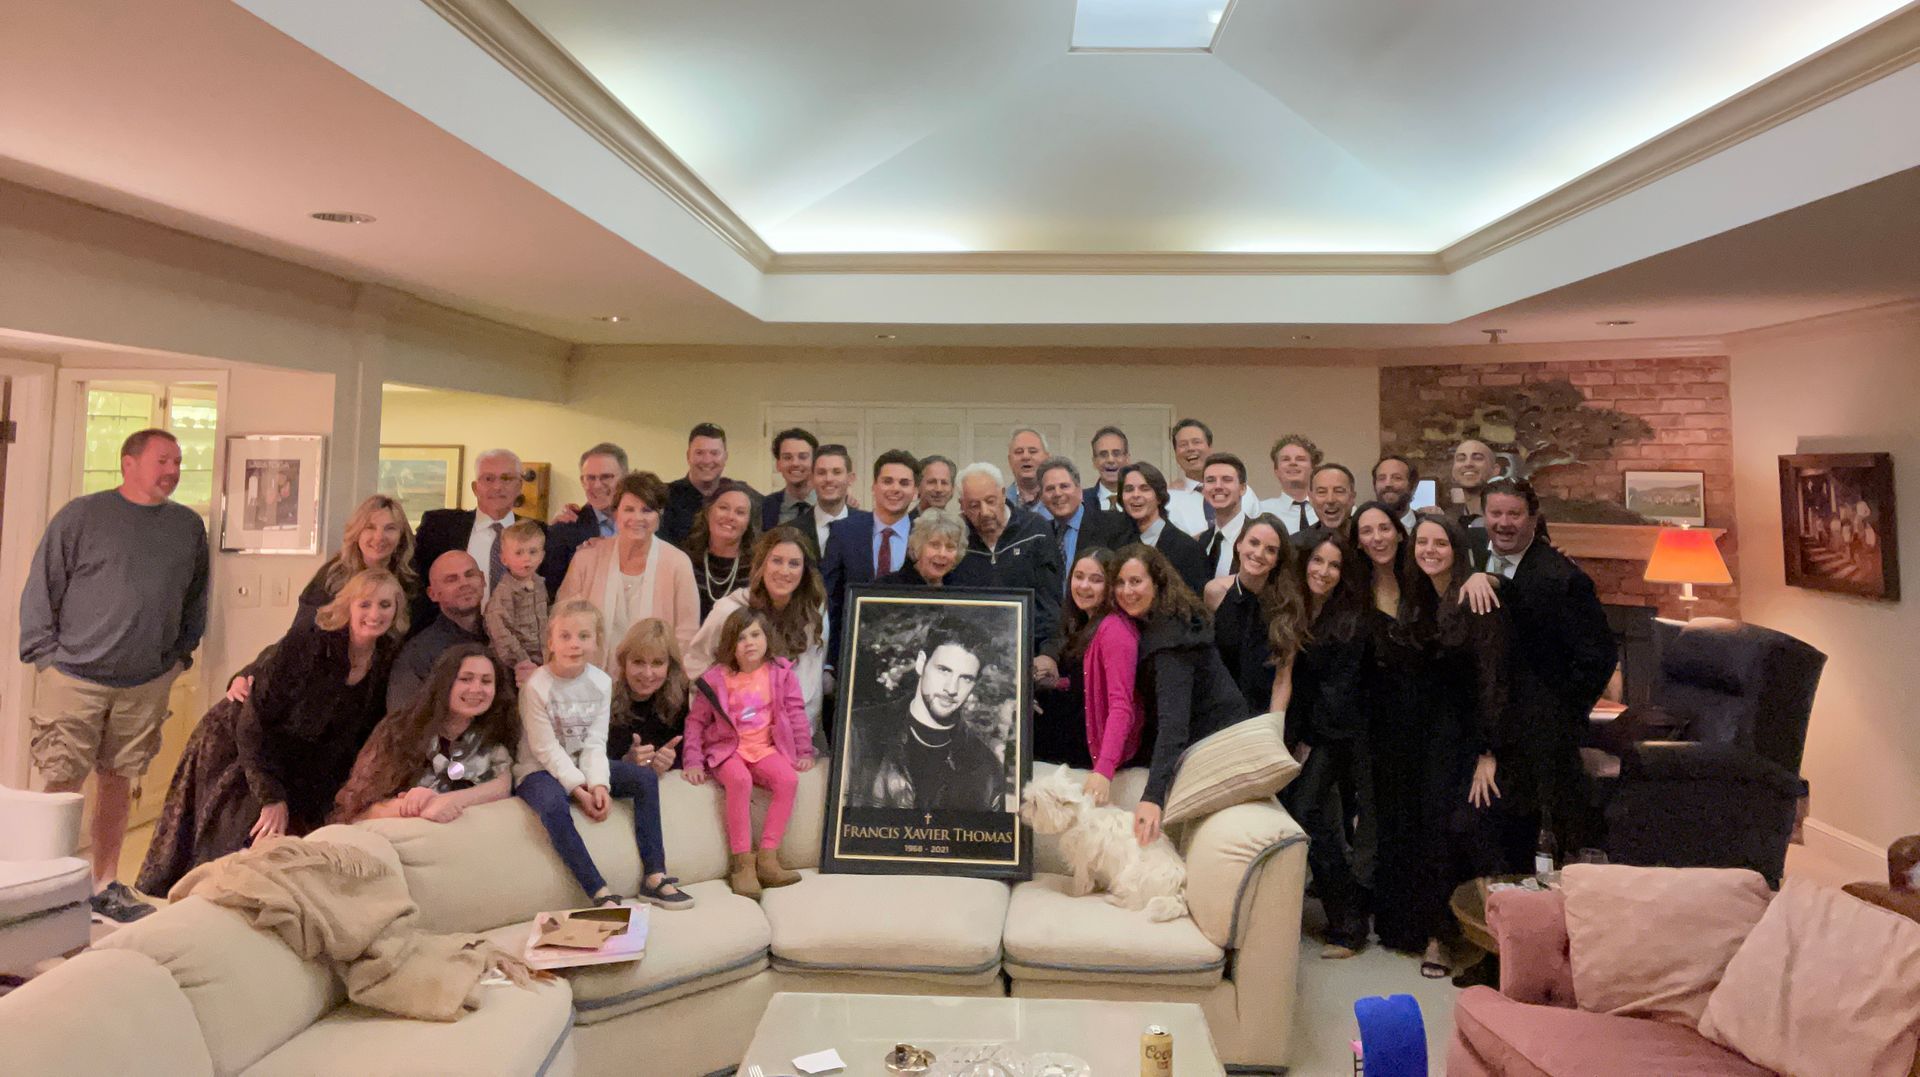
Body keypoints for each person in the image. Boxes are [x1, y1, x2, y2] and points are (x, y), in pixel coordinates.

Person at [20, 427, 209, 921]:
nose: (172, 471)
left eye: (177, 462)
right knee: (62, 781)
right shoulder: (82, 516)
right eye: (162, 460)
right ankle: (47, 888)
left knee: (119, 781)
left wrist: (179, 658)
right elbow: (42, 587)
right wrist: (45, 655)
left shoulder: (187, 527)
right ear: (129, 463)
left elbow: (196, 598)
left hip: (145, 682)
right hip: (74, 676)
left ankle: (105, 884)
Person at [136, 570, 404, 897]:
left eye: (385, 605)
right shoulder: (309, 644)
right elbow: (253, 722)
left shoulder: (387, 658)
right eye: (365, 604)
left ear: (397, 610)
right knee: (237, 843)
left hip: (298, 765)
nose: (375, 614)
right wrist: (271, 796)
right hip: (239, 744)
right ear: (347, 606)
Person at [1384, 513, 1509, 977]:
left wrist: (1488, 752)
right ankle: (1437, 936)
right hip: (1420, 740)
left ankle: (1497, 945)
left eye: (1440, 543)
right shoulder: (1415, 600)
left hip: (1468, 741)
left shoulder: (1477, 598)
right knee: (1428, 836)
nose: (1430, 550)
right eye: (1422, 542)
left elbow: (1494, 679)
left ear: (1457, 550)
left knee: (1472, 835)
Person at [515, 599, 692, 910]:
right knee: (553, 804)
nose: (574, 644)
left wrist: (599, 784)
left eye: (584, 636)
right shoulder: (536, 687)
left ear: (597, 642)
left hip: (583, 765)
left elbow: (595, 743)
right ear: (551, 642)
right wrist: (579, 790)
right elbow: (545, 749)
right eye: (565, 636)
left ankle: (655, 876)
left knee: (644, 778)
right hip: (539, 769)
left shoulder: (601, 683)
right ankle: (598, 891)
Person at [1477, 478, 1615, 864]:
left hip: (1539, 738)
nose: (1504, 523)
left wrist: (1558, 710)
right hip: (1484, 727)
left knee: (1533, 843)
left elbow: (1599, 656)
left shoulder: (1563, 578)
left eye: (1514, 514)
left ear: (1534, 519)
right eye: (1496, 513)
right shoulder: (1471, 559)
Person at [1110, 545, 1251, 847]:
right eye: (1119, 583)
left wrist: (1152, 798)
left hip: (1219, 746)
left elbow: (1173, 725)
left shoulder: (1171, 639)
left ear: (1158, 583)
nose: (1126, 591)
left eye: (1136, 581)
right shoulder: (1160, 619)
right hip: (1207, 738)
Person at [684, 608, 814, 898]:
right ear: (730, 645)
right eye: (741, 638)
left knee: (788, 781)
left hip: (765, 748)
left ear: (767, 637)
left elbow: (796, 713)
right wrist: (692, 760)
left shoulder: (781, 674)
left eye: (755, 635)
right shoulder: (715, 679)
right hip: (728, 751)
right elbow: (695, 722)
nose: (749, 643)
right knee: (740, 780)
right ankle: (742, 863)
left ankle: (768, 858)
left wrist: (804, 750)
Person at [1286, 532, 1374, 957]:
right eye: (1317, 561)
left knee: (1307, 814)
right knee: (1318, 818)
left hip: (1336, 736)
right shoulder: (1298, 608)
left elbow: (1338, 695)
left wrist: (1306, 741)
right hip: (1306, 731)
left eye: (1334, 565)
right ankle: (1344, 921)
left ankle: (1349, 924)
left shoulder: (1349, 620)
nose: (1324, 571)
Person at [330, 645, 518, 824]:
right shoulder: (400, 731)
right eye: (465, 679)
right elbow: (358, 809)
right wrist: (412, 806)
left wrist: (449, 801)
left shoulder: (496, 740)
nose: (476, 689)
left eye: (486, 681)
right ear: (444, 682)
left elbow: (502, 787)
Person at [844, 613, 1005, 811]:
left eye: (965, 678)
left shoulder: (987, 768)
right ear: (921, 663)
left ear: (975, 683)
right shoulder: (858, 731)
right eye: (944, 670)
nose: (952, 688)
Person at [687, 526, 831, 736]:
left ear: (805, 570)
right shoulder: (729, 609)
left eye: (794, 563)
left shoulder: (813, 613)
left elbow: (810, 685)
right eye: (777, 561)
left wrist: (792, 736)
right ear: (762, 564)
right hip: (731, 730)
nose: (784, 571)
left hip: (788, 730)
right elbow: (696, 664)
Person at [558, 471, 701, 661]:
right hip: (589, 672)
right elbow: (562, 620)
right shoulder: (587, 558)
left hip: (653, 674)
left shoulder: (678, 563)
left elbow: (687, 633)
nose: (637, 518)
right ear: (616, 513)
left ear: (660, 515)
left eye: (646, 510)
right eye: (629, 509)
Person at [411, 448, 536, 630]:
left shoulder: (539, 532)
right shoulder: (438, 527)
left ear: (519, 487)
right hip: (451, 639)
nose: (497, 486)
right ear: (475, 488)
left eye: (506, 478)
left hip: (519, 640)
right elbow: (416, 581)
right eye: (488, 479)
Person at [1202, 514, 1306, 716]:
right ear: (1239, 544)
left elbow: (1282, 679)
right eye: (1254, 543)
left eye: (1270, 550)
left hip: (1262, 716)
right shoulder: (1214, 592)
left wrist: (1273, 726)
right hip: (1219, 712)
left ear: (1277, 560)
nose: (1259, 554)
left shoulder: (1287, 606)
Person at [955, 462, 1063, 650]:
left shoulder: (1036, 529)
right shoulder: (956, 539)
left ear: (1003, 494)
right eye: (974, 505)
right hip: (971, 648)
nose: (985, 512)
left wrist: (1049, 653)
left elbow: (1051, 603)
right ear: (962, 505)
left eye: (990, 501)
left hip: (1030, 647)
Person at [821, 450, 919, 651]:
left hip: (910, 649)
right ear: (874, 486)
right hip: (852, 647)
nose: (895, 489)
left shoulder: (924, 536)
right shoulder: (843, 532)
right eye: (887, 481)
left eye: (904, 483)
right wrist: (831, 660)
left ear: (916, 491)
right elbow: (831, 601)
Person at [293, 493, 418, 628]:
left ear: (401, 536)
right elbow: (302, 631)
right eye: (370, 527)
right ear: (356, 533)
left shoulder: (411, 580)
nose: (379, 537)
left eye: (390, 528)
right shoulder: (331, 577)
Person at [386, 551, 490, 711]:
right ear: (433, 594)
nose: (464, 583)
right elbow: (402, 719)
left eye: (470, 575)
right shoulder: (419, 654)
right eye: (452, 579)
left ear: (483, 580)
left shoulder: (506, 634)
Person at [1036, 456, 1132, 593]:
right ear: (1042, 497)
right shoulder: (1040, 535)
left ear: (1080, 491)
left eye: (1064, 486)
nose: (1057, 493)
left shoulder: (1115, 525)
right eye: (1050, 489)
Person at [1114, 462, 1211, 596]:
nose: (1135, 495)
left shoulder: (1188, 549)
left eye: (1145, 488)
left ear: (1159, 497)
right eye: (1129, 489)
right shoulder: (1116, 543)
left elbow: (1195, 603)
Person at [544, 443, 629, 594]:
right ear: (582, 481)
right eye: (590, 478)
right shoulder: (562, 531)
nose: (597, 485)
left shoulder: (648, 525)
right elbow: (552, 594)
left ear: (626, 478)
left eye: (606, 477)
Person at [608, 619, 689, 773]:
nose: (647, 674)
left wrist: (671, 762)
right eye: (638, 662)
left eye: (657, 663)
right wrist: (626, 763)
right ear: (624, 663)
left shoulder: (683, 701)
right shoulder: (607, 702)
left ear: (670, 666)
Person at [663, 422, 759, 550]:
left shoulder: (742, 495)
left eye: (714, 453)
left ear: (725, 457)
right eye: (699, 453)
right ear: (688, 456)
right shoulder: (665, 497)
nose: (707, 460)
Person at [484, 519, 548, 685]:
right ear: (504, 559)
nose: (527, 558)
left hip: (542, 660)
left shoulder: (540, 584)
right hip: (514, 666)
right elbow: (499, 629)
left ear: (541, 556)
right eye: (519, 553)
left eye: (533, 552)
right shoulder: (505, 591)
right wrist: (521, 660)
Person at [685, 481, 758, 620]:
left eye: (740, 512)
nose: (730, 517)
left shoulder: (758, 568)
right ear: (708, 512)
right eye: (723, 508)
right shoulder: (685, 561)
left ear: (749, 522)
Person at [1168, 418, 1258, 527]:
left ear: (1210, 447)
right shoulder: (1169, 498)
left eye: (1196, 442)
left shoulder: (1244, 493)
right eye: (1183, 444)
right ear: (1175, 453)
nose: (1190, 448)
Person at [1196, 453, 1254, 579]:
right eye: (1210, 480)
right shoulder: (1199, 542)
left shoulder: (1257, 538)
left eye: (1227, 480)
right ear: (1204, 490)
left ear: (1243, 488)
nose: (1218, 486)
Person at [879, 511, 969, 588]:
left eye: (950, 547)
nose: (942, 554)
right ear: (918, 546)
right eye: (935, 545)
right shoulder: (888, 587)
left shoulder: (962, 589)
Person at [1258, 434, 1322, 535]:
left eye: (1300, 459)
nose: (1293, 463)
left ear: (1313, 469)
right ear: (1276, 471)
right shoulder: (1260, 512)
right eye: (1286, 459)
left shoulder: (1329, 510)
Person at [761, 427, 817, 535]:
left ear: (815, 463)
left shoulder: (831, 505)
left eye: (803, 457)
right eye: (787, 457)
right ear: (778, 465)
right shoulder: (765, 507)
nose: (795, 463)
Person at [1293, 463, 1358, 549]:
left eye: (1339, 491)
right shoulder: (1295, 546)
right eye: (1321, 492)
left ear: (1352, 498)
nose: (1330, 500)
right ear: (1311, 499)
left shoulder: (1369, 540)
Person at [811, 444, 856, 552]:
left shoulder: (870, 528)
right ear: (812, 479)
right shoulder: (794, 529)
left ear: (850, 478)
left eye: (837, 472)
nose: (829, 479)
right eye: (821, 473)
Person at [1450, 439, 1500, 527]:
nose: (1468, 464)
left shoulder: (1507, 519)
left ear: (1495, 470)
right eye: (1461, 459)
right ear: (1453, 471)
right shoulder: (1448, 522)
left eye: (1477, 458)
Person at [1085, 426, 1131, 513]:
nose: (1110, 460)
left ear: (1127, 459)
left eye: (1116, 454)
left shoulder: (1140, 501)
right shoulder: (1080, 502)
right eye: (1103, 454)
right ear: (1094, 462)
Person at [1372, 454, 1421, 533]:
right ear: (1374, 485)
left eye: (1397, 478)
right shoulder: (1361, 528)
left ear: (1412, 485)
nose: (1388, 484)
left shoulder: (1429, 527)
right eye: (1382, 478)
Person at [1004, 427, 1049, 511]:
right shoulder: (1001, 504)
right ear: (1010, 461)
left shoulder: (1059, 501)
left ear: (1047, 459)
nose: (1026, 456)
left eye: (1033, 451)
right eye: (1019, 452)